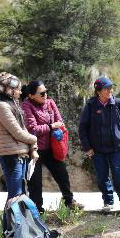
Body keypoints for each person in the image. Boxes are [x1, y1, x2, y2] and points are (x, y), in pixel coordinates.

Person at [21, 81, 83, 213]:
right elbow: (32, 130)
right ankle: (37, 210)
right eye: (42, 93)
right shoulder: (26, 105)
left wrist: (55, 126)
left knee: (62, 174)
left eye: (46, 92)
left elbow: (60, 121)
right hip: (34, 149)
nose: (45, 95)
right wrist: (51, 126)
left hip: (52, 148)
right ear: (31, 95)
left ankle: (69, 201)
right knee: (35, 182)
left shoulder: (50, 103)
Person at [78, 77, 120, 215]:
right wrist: (87, 147)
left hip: (116, 148)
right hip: (97, 150)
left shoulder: (118, 104)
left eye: (111, 88)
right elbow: (82, 128)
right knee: (102, 176)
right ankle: (108, 202)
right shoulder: (91, 105)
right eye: (106, 89)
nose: (110, 91)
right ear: (98, 91)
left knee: (118, 175)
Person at [0, 72, 38, 201]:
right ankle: (11, 216)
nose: (20, 92)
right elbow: (18, 133)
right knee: (15, 194)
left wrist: (33, 147)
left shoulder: (13, 105)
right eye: (18, 89)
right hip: (11, 156)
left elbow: (23, 129)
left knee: (19, 194)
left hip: (19, 154)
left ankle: (14, 215)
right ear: (10, 90)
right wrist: (35, 139)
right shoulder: (1, 106)